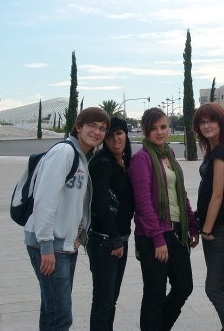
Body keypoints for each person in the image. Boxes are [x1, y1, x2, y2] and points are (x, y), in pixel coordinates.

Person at [24, 107, 110, 331]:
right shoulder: (65, 152)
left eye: (102, 128)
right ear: (79, 126)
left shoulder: (81, 157)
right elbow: (45, 199)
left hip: (65, 245)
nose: (97, 131)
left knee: (51, 311)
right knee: (61, 317)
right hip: (52, 246)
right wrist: (46, 246)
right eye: (92, 125)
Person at [128, 107, 199, 331]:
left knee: (184, 286)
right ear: (144, 131)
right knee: (155, 293)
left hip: (176, 231)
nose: (160, 132)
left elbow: (181, 193)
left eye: (163, 127)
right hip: (153, 236)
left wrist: (192, 224)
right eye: (154, 128)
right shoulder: (141, 159)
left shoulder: (168, 155)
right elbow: (143, 203)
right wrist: (158, 239)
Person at [192, 102, 224, 331]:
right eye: (202, 121)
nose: (206, 125)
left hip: (218, 226)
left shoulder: (221, 151)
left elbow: (218, 195)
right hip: (212, 225)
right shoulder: (214, 150)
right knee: (220, 284)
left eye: (211, 120)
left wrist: (207, 229)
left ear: (222, 123)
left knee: (213, 288)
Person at [87, 116, 135, 330]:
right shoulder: (104, 163)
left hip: (118, 240)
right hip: (105, 241)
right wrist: (115, 238)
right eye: (110, 134)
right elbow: (100, 204)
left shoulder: (122, 163)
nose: (116, 138)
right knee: (103, 302)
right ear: (104, 140)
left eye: (119, 133)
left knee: (110, 301)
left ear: (126, 134)